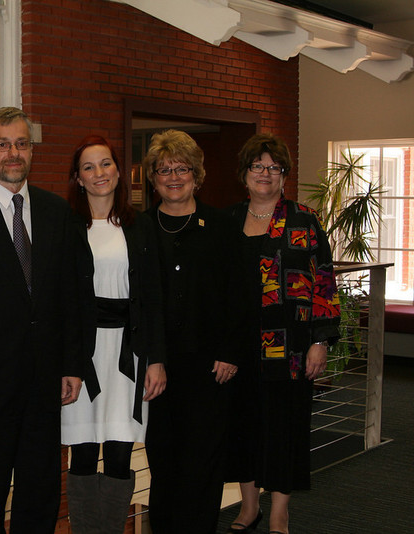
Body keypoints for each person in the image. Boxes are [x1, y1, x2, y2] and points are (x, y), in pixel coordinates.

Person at [0, 107, 82, 533]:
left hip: (46, 383)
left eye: (21, 143)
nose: (13, 153)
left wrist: (72, 365)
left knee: (40, 493)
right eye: (2, 144)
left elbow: (73, 295)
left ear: (31, 150)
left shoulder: (56, 212)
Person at [225, 133, 341, 534]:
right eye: (257, 166)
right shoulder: (227, 220)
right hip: (239, 349)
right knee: (243, 425)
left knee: (284, 427)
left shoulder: (303, 219)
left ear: (284, 176)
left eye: (274, 167)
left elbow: (324, 282)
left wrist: (319, 340)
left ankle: (279, 512)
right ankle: (249, 506)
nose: (265, 174)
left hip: (291, 347)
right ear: (244, 174)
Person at [142, 129, 247, 534]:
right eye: (163, 169)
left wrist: (230, 351)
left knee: (203, 463)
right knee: (163, 461)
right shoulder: (141, 228)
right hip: (158, 368)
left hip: (210, 366)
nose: (173, 176)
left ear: (196, 174)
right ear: (152, 178)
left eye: (181, 168)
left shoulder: (220, 226)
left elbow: (240, 295)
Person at [61, 135, 167, 534]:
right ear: (78, 178)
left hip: (129, 354)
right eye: (88, 167)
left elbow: (153, 298)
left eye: (105, 164)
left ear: (119, 171)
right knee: (84, 451)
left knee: (122, 451)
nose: (99, 173)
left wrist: (156, 359)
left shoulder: (141, 227)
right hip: (82, 355)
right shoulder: (66, 227)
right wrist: (63, 361)